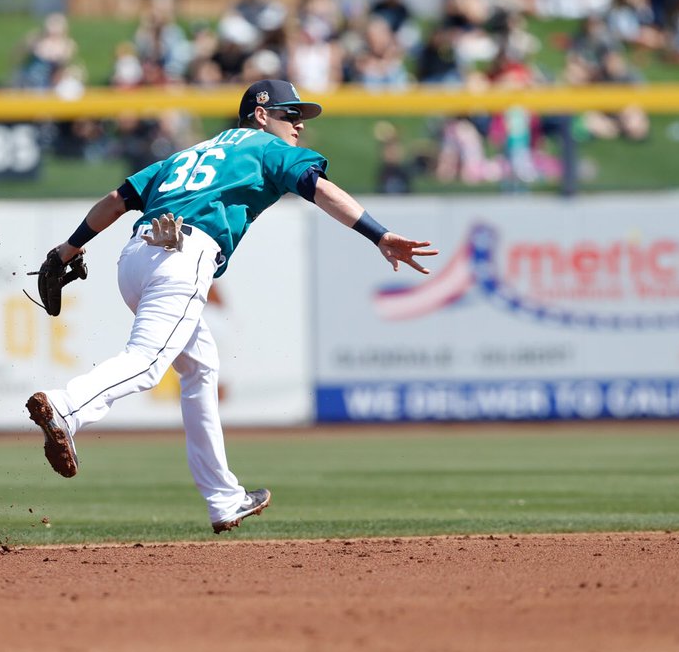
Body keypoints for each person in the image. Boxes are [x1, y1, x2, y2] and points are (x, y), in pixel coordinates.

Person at [25, 79, 437, 534]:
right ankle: (67, 406)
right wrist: (379, 235)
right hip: (181, 254)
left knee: (200, 366)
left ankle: (224, 498)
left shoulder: (187, 153)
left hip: (134, 259)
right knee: (145, 364)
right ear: (261, 115)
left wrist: (67, 249)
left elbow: (117, 201)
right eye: (289, 113)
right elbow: (321, 191)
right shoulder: (267, 148)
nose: (298, 123)